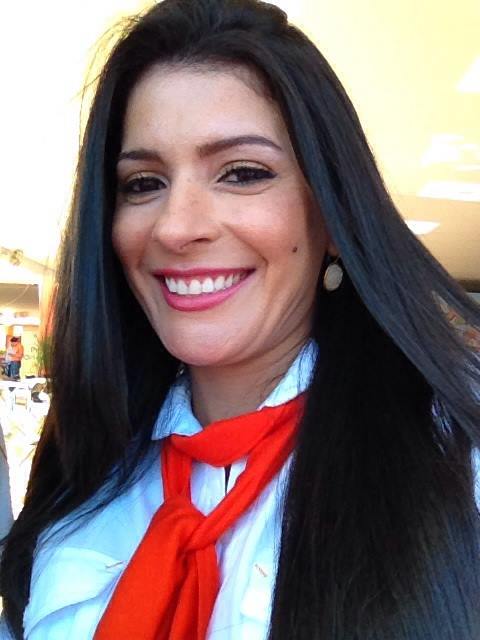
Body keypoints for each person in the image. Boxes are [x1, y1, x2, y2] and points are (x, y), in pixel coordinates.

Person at [1, 1, 480, 638]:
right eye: (143, 183)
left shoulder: (456, 456)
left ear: (332, 217)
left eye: (242, 173)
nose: (176, 227)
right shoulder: (84, 454)